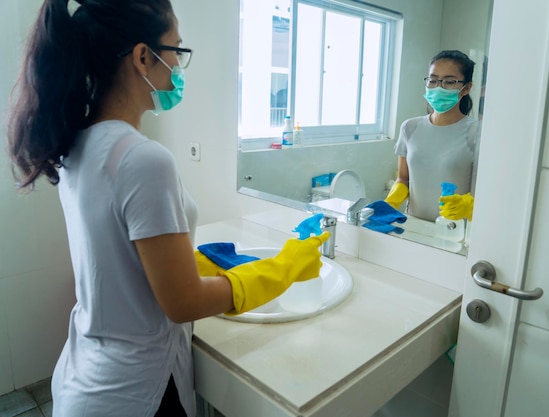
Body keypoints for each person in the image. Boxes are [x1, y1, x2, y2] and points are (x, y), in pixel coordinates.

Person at [5, 1, 328, 416]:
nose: (178, 66)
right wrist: (282, 269)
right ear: (143, 57)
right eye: (176, 49)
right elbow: (184, 303)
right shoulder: (142, 158)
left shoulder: (77, 145)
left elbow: (117, 258)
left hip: (84, 378)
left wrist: (194, 263)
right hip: (135, 393)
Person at [385, 50, 480, 222]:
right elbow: (403, 178)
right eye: (433, 80)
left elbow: (485, 191)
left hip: (454, 231)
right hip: (413, 226)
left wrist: (470, 206)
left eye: (449, 82)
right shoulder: (410, 127)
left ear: (466, 88)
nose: (439, 87)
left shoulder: (476, 133)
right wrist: (392, 200)